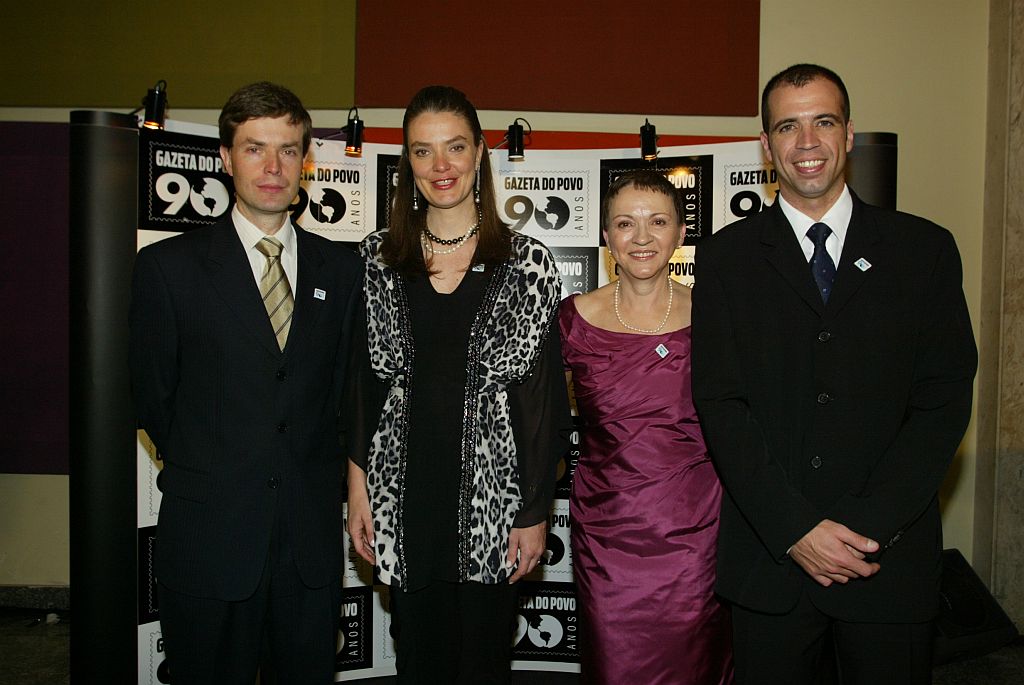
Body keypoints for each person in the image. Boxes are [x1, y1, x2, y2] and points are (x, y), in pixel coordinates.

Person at [691, 64, 977, 685]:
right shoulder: (723, 259)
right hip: (772, 566)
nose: (807, 142)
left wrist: (865, 528)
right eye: (788, 127)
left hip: (887, 565)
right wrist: (796, 529)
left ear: (849, 134)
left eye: (823, 121)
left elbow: (943, 402)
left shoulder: (923, 251)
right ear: (766, 147)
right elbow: (721, 404)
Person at [130, 82, 363, 684]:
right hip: (210, 540)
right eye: (255, 148)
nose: (272, 167)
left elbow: (347, 395)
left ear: (305, 160)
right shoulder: (168, 269)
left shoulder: (341, 270)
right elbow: (153, 397)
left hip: (307, 547)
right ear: (226, 158)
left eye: (288, 150)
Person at [345, 85, 570, 684]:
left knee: (483, 664)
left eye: (455, 147)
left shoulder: (527, 262)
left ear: (478, 156)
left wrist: (532, 510)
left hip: (493, 506)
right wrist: (359, 487)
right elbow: (365, 385)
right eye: (423, 152)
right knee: (418, 660)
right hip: (403, 497)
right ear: (407, 164)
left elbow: (543, 403)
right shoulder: (376, 259)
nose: (441, 166)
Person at [560, 170, 733, 684]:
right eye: (625, 223)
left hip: (699, 537)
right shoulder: (570, 321)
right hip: (607, 536)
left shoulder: (716, 318)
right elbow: (532, 422)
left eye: (658, 222)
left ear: (681, 234)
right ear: (605, 236)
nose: (641, 237)